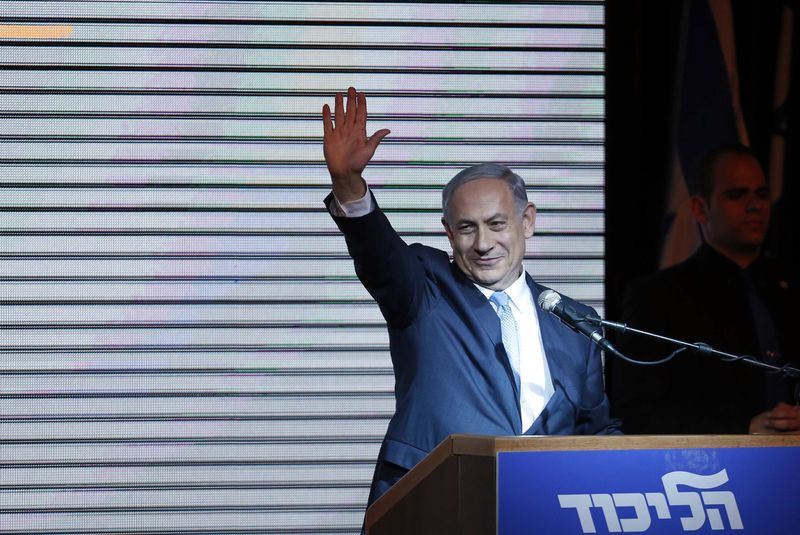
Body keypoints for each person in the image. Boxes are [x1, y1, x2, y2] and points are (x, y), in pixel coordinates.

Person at [322, 87, 622, 516]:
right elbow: (378, 254)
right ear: (448, 233)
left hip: (544, 508)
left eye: (497, 224)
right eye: (466, 228)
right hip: (435, 506)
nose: (483, 244)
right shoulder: (425, 287)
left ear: (527, 221)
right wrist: (349, 186)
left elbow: (594, 430)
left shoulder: (573, 320)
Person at [608, 144, 800, 435]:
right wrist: (745, 428)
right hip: (712, 472)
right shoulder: (657, 296)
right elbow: (636, 410)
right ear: (700, 208)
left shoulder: (790, 288)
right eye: (736, 194)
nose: (754, 205)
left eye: (762, 194)